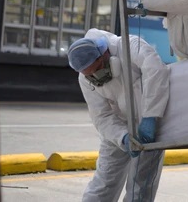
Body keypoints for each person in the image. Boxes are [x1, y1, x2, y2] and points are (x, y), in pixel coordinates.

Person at [67, 28, 170, 202]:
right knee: (104, 183)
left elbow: (156, 71)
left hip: (149, 122)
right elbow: (101, 116)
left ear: (105, 53)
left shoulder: (129, 46)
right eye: (90, 75)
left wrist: (151, 116)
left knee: (141, 185)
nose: (96, 76)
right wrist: (122, 138)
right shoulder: (85, 79)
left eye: (98, 68)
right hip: (118, 128)